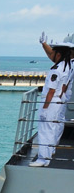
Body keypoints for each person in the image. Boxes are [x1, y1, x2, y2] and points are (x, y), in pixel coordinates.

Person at [31, 35, 74, 166]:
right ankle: (50, 152)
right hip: (59, 101)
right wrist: (44, 43)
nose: (52, 55)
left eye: (54, 53)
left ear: (59, 54)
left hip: (51, 102)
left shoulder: (57, 69)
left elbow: (50, 91)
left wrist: (44, 108)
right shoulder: (69, 66)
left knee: (45, 130)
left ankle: (43, 159)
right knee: (54, 128)